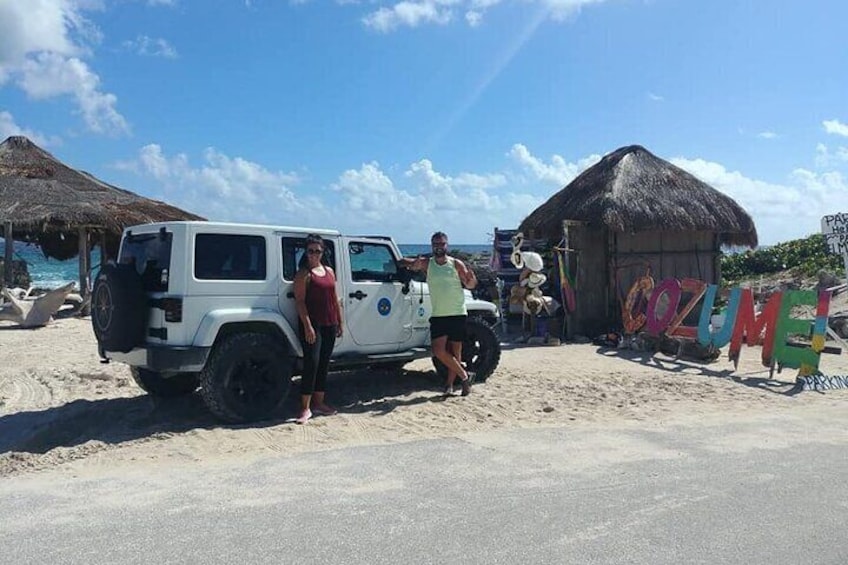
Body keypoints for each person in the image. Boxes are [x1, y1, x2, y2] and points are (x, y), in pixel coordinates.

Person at [400, 231, 477, 396]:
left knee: (456, 353)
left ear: (446, 245)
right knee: (439, 350)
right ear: (432, 245)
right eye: (436, 244)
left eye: (442, 244)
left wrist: (471, 279)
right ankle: (465, 376)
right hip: (439, 314)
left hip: (457, 313)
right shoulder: (427, 264)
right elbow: (409, 264)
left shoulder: (456, 264)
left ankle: (450, 385)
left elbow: (469, 285)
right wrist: (404, 262)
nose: (439, 247)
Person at [293, 234, 343, 424]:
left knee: (324, 363)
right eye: (310, 251)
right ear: (305, 252)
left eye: (318, 251)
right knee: (311, 363)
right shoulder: (303, 274)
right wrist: (308, 326)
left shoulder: (329, 271)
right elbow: (299, 302)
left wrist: (340, 321)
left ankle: (319, 403)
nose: (314, 254)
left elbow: (334, 298)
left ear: (323, 252)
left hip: (330, 322)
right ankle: (304, 408)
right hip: (313, 324)